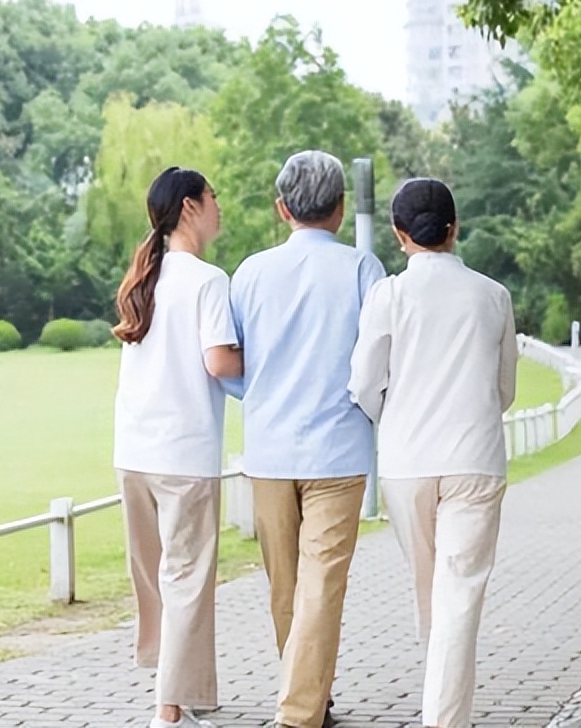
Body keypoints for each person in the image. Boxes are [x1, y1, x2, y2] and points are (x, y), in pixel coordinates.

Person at [347, 178, 518, 728]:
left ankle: (442, 707)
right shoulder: (493, 295)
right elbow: (505, 389)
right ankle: (444, 714)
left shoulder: (389, 295)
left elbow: (364, 383)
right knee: (457, 598)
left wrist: (393, 417)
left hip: (407, 462)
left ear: (401, 236)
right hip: (474, 458)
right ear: (454, 227)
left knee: (433, 591)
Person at [227, 150, 386, 728]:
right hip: (339, 450)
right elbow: (380, 358)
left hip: (268, 448)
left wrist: (261, 394)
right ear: (340, 210)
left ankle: (303, 705)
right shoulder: (364, 269)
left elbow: (227, 362)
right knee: (322, 582)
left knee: (287, 587)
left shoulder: (249, 271)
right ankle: (303, 708)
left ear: (281, 208)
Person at [112, 166, 243, 728]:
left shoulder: (146, 275)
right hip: (185, 454)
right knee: (187, 579)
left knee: (158, 577)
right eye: (213, 198)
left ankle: (175, 691)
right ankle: (168, 711)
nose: (219, 207)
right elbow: (219, 361)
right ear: (190, 206)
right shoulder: (208, 280)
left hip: (134, 451)